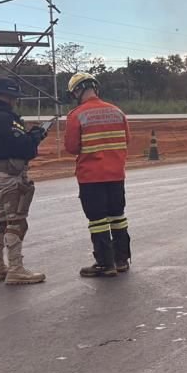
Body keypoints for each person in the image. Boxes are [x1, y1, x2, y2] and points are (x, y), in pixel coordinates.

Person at [0, 77, 48, 285]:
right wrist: (35, 136)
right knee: (16, 221)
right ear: (9, 96)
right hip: (10, 174)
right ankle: (16, 268)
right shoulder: (4, 117)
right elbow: (22, 146)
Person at [64, 73, 133, 277]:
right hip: (116, 175)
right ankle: (122, 260)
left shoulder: (77, 115)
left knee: (97, 220)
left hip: (91, 176)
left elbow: (71, 147)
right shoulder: (118, 112)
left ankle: (105, 263)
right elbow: (127, 140)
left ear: (77, 91)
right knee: (118, 217)